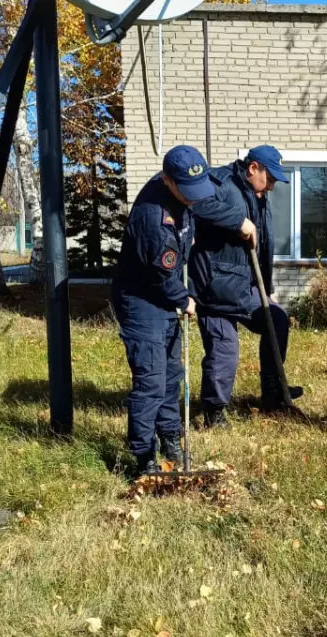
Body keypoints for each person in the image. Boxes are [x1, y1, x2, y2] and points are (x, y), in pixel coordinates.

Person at [113, 145, 213, 475]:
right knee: (152, 381)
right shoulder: (152, 220)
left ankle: (170, 436)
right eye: (187, 191)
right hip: (142, 301)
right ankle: (143, 458)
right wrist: (184, 300)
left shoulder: (182, 195)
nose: (193, 198)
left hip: (165, 294)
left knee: (172, 374)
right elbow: (163, 274)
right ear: (167, 180)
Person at [189, 144, 303, 427]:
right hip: (213, 287)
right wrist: (238, 221)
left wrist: (269, 287)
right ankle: (214, 413)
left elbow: (262, 246)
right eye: (271, 178)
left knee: (276, 320)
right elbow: (196, 204)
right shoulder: (220, 182)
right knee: (225, 349)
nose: (273, 186)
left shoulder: (258, 194)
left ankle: (273, 395)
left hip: (245, 285)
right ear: (253, 168)